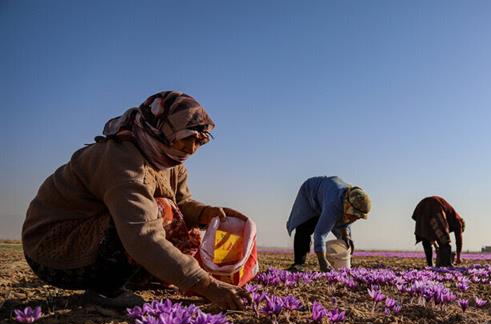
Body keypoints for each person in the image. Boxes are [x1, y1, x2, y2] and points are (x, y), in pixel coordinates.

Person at [21, 91, 246, 310]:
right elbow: (142, 234)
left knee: (180, 220)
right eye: (186, 139)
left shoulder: (168, 159)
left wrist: (205, 213)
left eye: (200, 141)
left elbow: (182, 202)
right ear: (160, 130)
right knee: (160, 211)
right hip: (54, 247)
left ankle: (142, 275)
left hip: (97, 235)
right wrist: (205, 284)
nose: (191, 149)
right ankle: (105, 290)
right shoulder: (124, 161)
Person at [286, 176, 371, 272]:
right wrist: (322, 261)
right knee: (304, 227)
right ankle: (298, 263)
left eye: (357, 217)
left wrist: (346, 236)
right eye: (354, 215)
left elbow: (345, 223)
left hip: (325, 196)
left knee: (345, 240)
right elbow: (319, 234)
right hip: (310, 193)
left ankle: (345, 265)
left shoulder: (349, 201)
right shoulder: (334, 204)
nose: (354, 219)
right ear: (348, 206)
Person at [412, 196, 464, 267]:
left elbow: (433, 231)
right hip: (435, 206)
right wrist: (458, 257)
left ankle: (430, 265)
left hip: (422, 205)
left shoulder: (451, 218)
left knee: (426, 238)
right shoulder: (458, 221)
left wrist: (436, 246)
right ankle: (447, 264)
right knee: (444, 240)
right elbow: (459, 240)